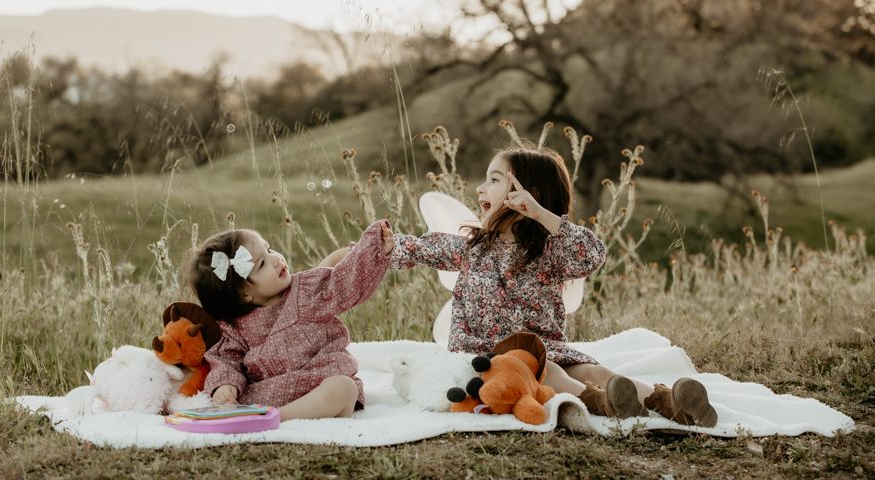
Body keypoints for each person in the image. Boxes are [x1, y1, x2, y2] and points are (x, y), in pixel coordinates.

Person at [391, 145, 717, 427]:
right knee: (556, 376)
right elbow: (419, 248)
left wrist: (540, 213)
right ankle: (602, 404)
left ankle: (669, 402)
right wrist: (381, 246)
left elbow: (592, 254)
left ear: (526, 192)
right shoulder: (471, 249)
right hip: (488, 356)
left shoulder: (550, 250)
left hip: (546, 348)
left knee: (594, 369)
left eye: (493, 180)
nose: (479, 188)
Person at [185, 220, 394, 421]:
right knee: (241, 399)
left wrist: (373, 246)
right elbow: (226, 360)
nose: (276, 259)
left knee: (344, 388)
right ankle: (266, 415)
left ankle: (278, 418)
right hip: (274, 391)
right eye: (262, 263)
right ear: (244, 294)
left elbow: (345, 282)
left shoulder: (305, 290)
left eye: (270, 249)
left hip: (321, 380)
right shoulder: (235, 328)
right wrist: (225, 386)